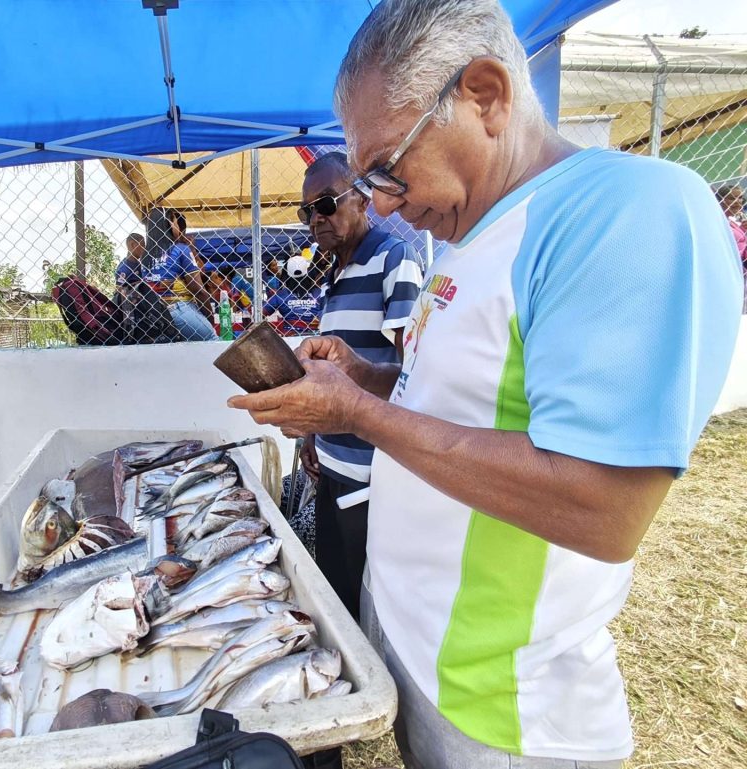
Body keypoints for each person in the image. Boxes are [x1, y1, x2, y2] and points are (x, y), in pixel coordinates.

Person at [228, 2, 743, 767]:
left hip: (509, 709)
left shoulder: (623, 211)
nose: (389, 204)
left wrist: (358, 412)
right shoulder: (468, 233)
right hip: (423, 654)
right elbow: (466, 400)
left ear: (486, 94)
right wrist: (368, 377)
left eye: (387, 171)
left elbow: (602, 505)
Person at [296, 150, 425, 621]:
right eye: (307, 211)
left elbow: (414, 372)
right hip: (331, 464)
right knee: (334, 588)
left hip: (371, 473)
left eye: (326, 204)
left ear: (364, 199)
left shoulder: (394, 258)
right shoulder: (335, 272)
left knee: (361, 605)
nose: (316, 220)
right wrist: (312, 433)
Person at [142, 209, 218, 341]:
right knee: (212, 338)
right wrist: (210, 318)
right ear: (170, 225)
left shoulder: (145, 256)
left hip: (152, 315)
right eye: (176, 223)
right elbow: (199, 290)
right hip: (179, 310)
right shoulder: (180, 249)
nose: (178, 227)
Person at [263, 255, 323, 335]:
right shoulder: (319, 293)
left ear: (287, 273)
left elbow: (260, 313)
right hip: (315, 336)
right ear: (307, 272)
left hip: (289, 337)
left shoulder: (281, 295)